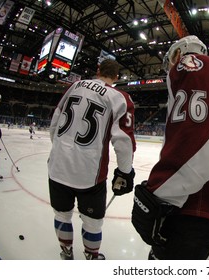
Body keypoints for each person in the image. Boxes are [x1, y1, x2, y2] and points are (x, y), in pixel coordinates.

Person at [131, 35, 209, 260]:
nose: (170, 67)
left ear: (179, 53)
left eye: (171, 60)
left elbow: (198, 146)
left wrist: (157, 193)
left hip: (197, 204)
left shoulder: (193, 65)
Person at [48, 59, 136, 260]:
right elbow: (124, 141)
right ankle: (91, 255)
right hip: (89, 174)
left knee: (61, 214)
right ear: (116, 77)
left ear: (98, 71)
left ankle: (66, 252)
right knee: (92, 222)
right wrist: (125, 172)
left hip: (58, 167)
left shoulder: (74, 86)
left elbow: (55, 120)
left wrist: (60, 151)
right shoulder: (120, 97)